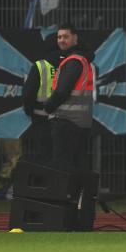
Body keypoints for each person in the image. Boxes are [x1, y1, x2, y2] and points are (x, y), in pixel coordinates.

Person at [42, 24, 96, 172]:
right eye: (59, 37)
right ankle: (79, 195)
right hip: (80, 121)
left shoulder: (73, 61)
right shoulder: (82, 59)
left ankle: (65, 195)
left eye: (65, 36)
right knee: (78, 165)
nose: (61, 40)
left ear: (75, 38)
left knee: (62, 167)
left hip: (66, 121)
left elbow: (62, 91)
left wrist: (48, 107)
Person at [21, 36, 61, 163]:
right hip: (66, 122)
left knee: (45, 159)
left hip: (41, 120)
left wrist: (29, 111)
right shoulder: (71, 65)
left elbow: (28, 94)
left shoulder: (40, 66)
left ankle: (47, 182)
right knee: (64, 160)